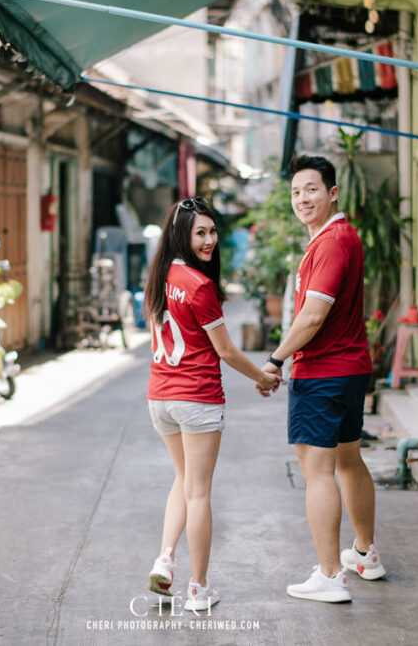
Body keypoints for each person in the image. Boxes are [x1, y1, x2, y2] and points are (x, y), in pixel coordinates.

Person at [144, 196, 281, 611]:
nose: (209, 240)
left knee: (183, 480)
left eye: (211, 232)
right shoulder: (200, 287)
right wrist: (264, 377)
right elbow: (226, 351)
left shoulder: (161, 276)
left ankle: (165, 560)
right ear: (181, 236)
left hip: (160, 398)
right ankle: (198, 589)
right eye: (199, 233)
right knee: (199, 492)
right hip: (196, 398)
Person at [260, 154, 385, 604]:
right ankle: (365, 554)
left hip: (324, 373)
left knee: (317, 473)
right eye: (295, 192)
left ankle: (330, 576)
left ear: (333, 192)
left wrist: (275, 360)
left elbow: (312, 316)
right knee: (348, 461)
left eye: (311, 189)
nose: (302, 199)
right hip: (351, 370)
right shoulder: (341, 237)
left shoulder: (331, 243)